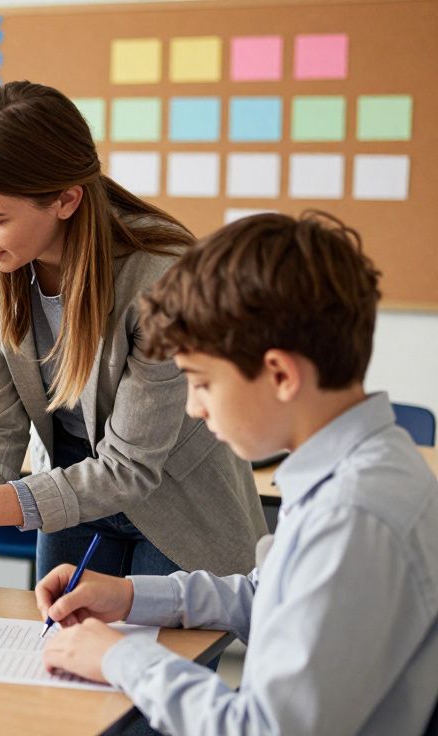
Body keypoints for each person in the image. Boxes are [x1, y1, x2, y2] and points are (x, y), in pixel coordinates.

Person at [38, 211, 438, 734]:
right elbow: (267, 595)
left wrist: (120, 659)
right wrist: (131, 596)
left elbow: (262, 728)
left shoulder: (352, 517)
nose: (196, 409)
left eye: (202, 384)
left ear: (279, 374)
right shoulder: (358, 466)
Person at [0, 81, 264, 579]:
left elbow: (129, 468)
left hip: (176, 502)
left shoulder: (163, 277)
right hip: (64, 486)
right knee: (58, 652)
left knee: (150, 656)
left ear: (66, 200)